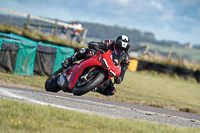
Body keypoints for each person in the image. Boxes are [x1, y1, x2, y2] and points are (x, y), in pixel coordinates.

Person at [61, 35, 131, 96]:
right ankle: (69, 60)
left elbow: (123, 72)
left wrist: (119, 78)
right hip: (98, 58)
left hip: (108, 69)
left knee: (111, 91)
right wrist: (94, 45)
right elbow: (99, 44)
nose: (120, 50)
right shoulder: (109, 43)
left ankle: (92, 86)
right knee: (86, 52)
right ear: (115, 44)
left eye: (124, 49)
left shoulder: (126, 59)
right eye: (119, 48)